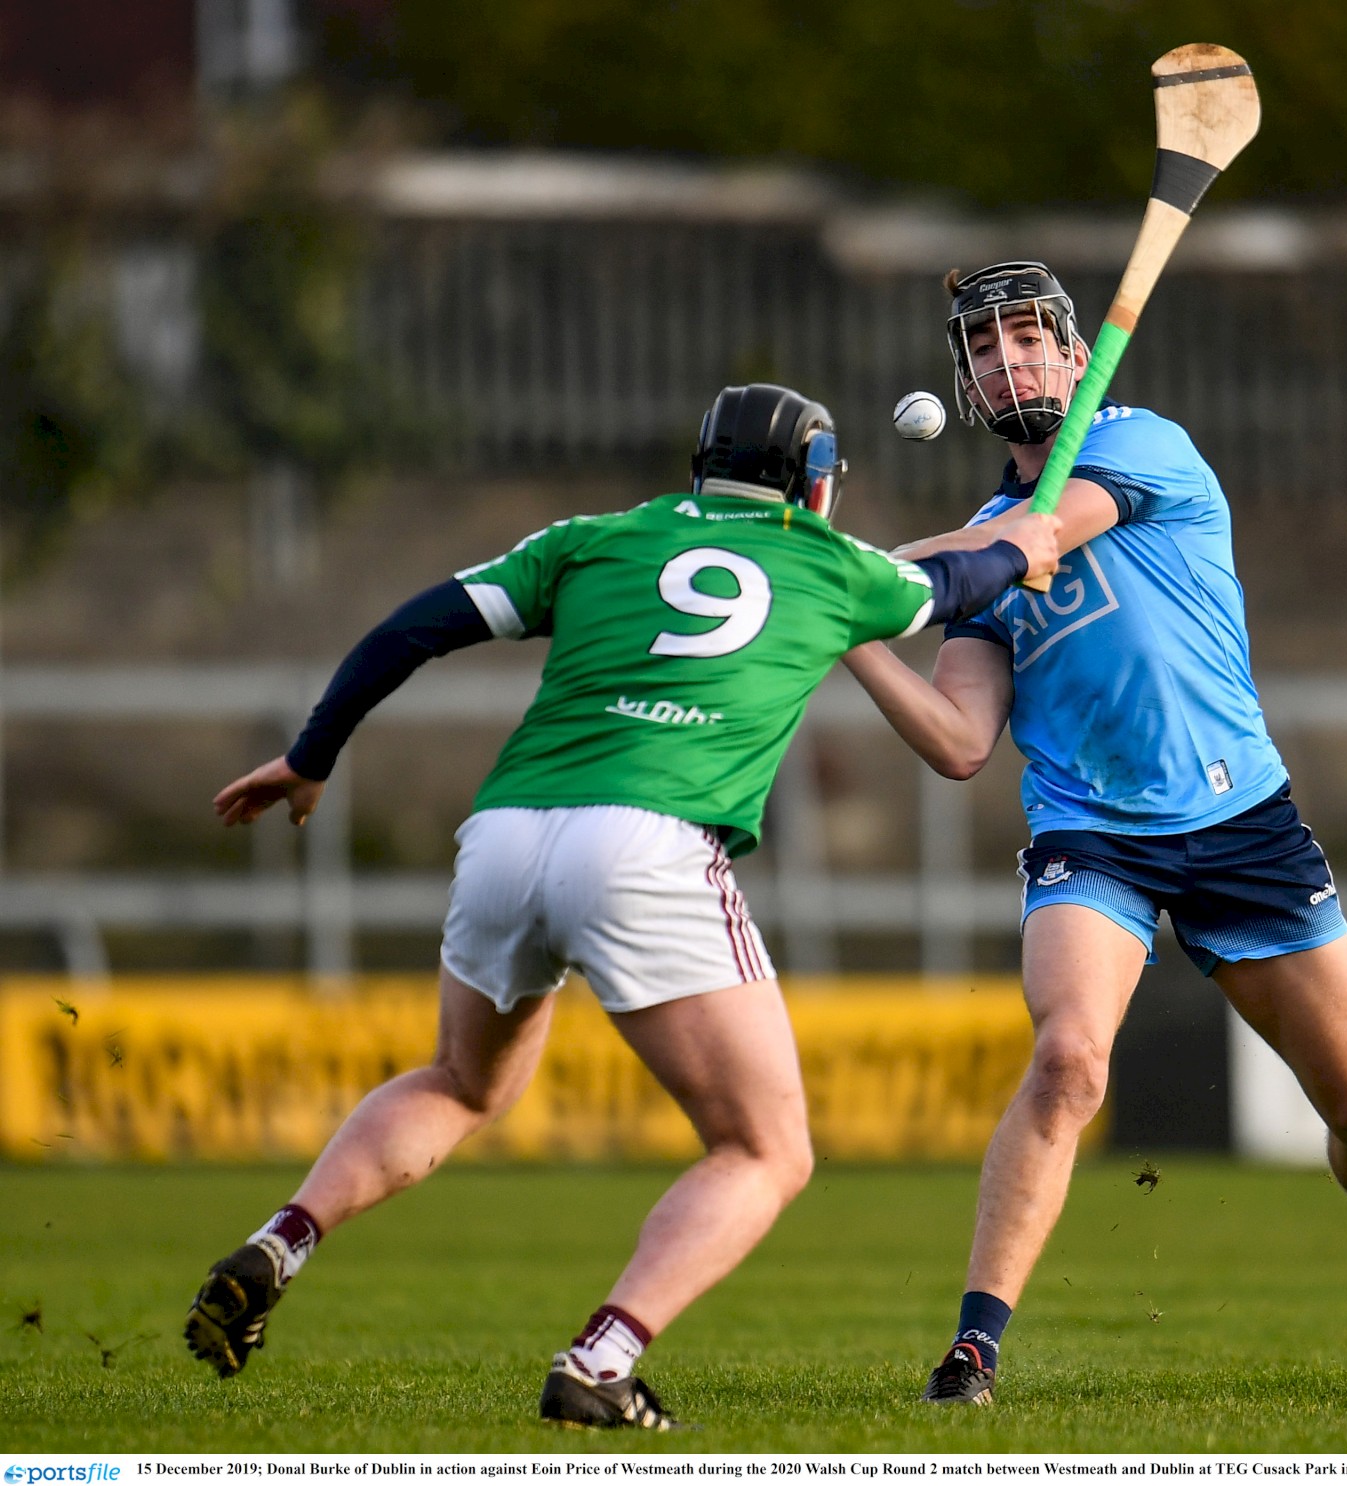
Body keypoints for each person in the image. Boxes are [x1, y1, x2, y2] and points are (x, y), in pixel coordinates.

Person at [183, 383, 1058, 1430]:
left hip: (507, 833)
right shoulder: (828, 563)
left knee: (461, 1082)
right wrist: (1025, 544)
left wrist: (310, 756)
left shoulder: (592, 538)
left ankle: (282, 1240)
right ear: (816, 484)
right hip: (648, 846)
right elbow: (959, 582)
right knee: (765, 1148)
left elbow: (411, 628)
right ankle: (603, 1357)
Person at [841, 263, 1347, 1406]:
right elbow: (959, 740)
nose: (1007, 362)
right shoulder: (972, 545)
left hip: (1239, 824)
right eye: (983, 349)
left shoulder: (1142, 447)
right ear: (965, 382)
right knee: (1068, 1058)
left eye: (1028, 340)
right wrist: (854, 633)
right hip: (1092, 836)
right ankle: (971, 1349)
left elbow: (1038, 537)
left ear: (1078, 359)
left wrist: (847, 572)